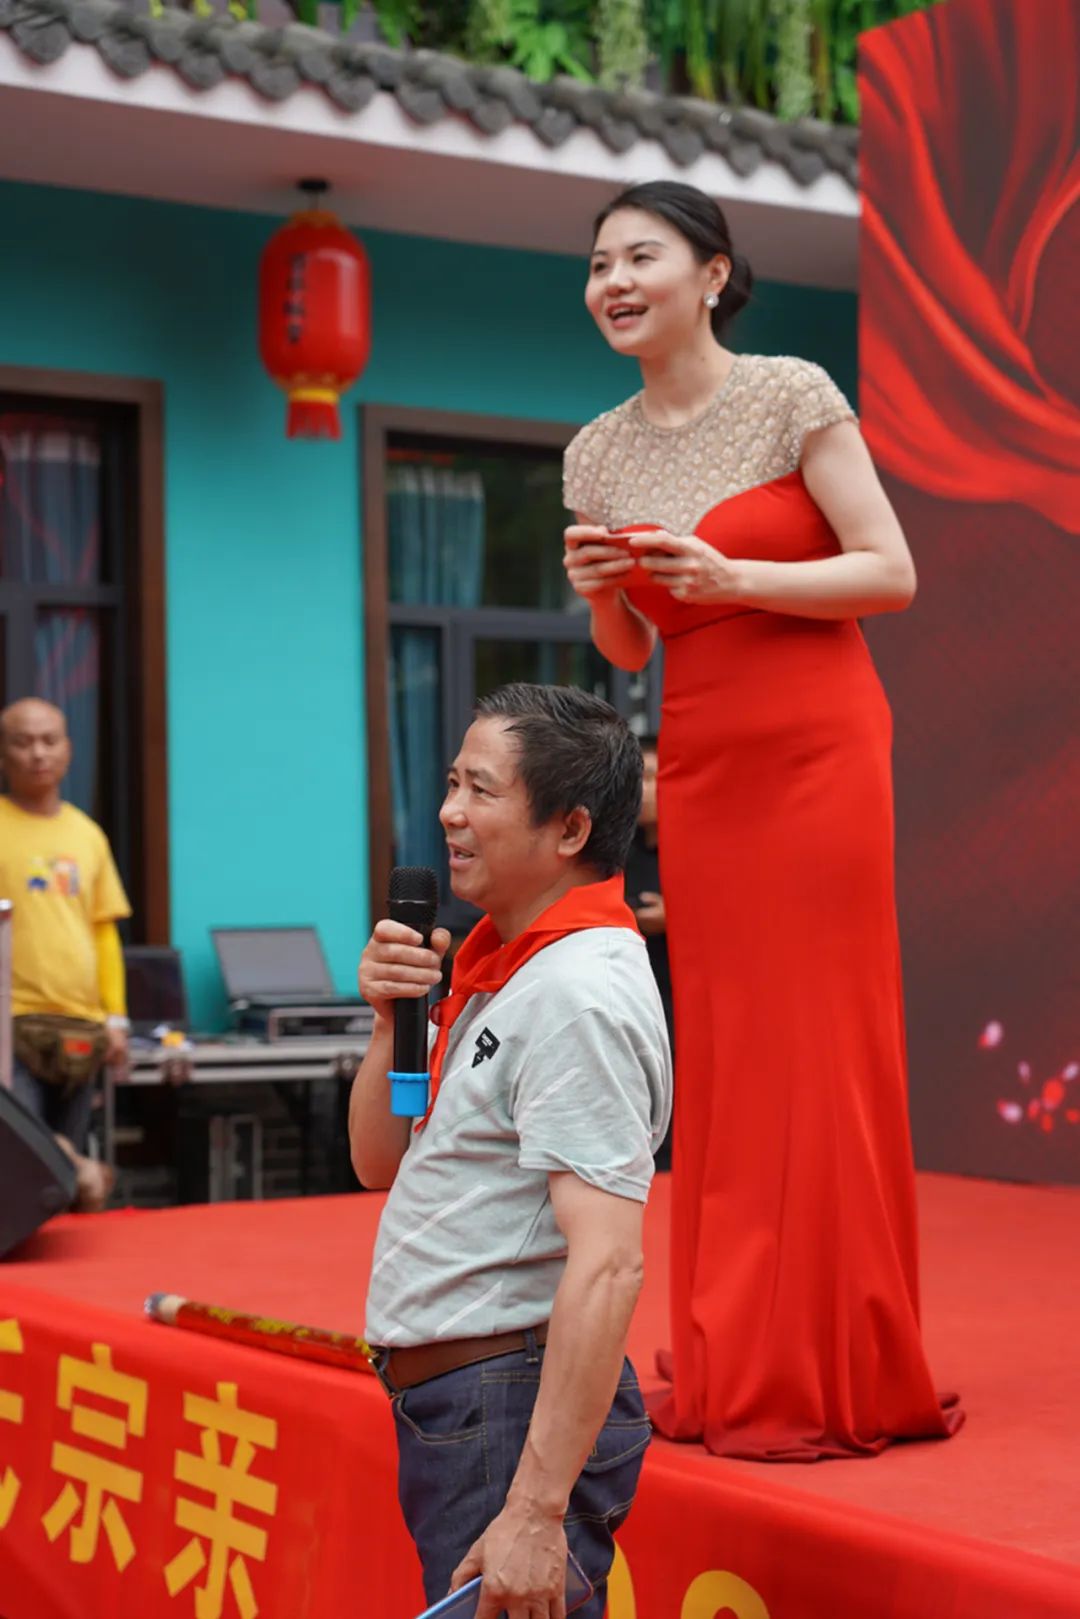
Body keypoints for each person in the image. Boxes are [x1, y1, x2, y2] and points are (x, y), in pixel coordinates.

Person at [562, 180, 962, 1461]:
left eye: (641, 255)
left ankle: (845, 1352)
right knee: (729, 1045)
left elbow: (888, 571)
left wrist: (739, 576)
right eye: (599, 263)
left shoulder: (793, 392)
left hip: (823, 742)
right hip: (708, 755)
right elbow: (630, 644)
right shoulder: (595, 450)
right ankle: (744, 1348)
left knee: (822, 1038)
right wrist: (602, 592)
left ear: (714, 274)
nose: (613, 281)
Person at [351, 683, 671, 1618]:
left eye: (481, 790)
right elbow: (380, 1162)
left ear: (569, 829)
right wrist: (387, 1023)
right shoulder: (504, 962)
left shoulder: (578, 992)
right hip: (465, 1402)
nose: (449, 811)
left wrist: (535, 1506)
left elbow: (610, 1262)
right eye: (453, 782)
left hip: (508, 1406)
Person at [0, 698, 129, 1210]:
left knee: (63, 1159)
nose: (37, 753)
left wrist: (114, 1017)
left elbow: (104, 932)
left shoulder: (87, 835)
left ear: (68, 750)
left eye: (49, 740)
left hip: (81, 1026)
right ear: (4, 753)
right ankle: (88, 1175)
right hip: (12, 1023)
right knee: (23, 1155)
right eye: (23, 741)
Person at [623, 737, 674, 1169]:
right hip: (631, 1003)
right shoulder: (616, 853)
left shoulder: (706, 852)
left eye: (652, 777)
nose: (643, 789)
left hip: (687, 1009)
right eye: (636, 778)